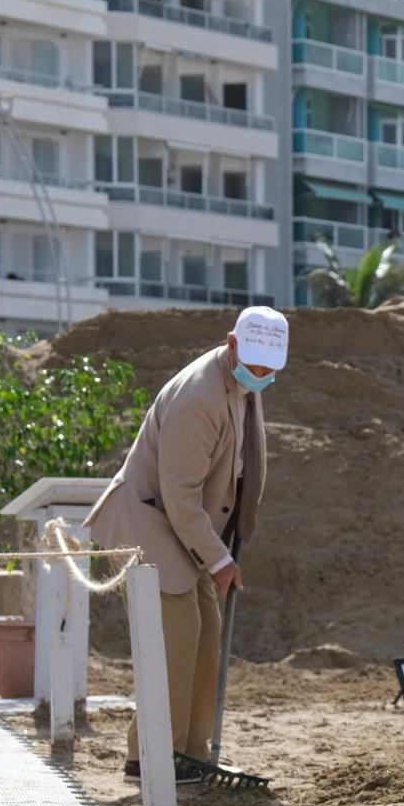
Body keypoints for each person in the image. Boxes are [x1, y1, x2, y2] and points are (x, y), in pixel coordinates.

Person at [87, 306, 287, 775]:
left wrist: (223, 547)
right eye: (254, 363)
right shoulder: (200, 397)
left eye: (268, 367)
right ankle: (153, 755)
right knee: (178, 635)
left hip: (180, 530)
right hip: (149, 525)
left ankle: (191, 753)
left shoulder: (239, 385)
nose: (260, 374)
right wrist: (218, 560)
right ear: (231, 343)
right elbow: (179, 496)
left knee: (206, 632)